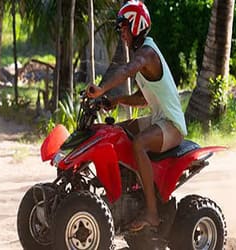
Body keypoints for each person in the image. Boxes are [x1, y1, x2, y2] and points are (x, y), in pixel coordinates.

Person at [87, 0, 187, 232]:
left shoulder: (147, 54)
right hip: (158, 120)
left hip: (171, 126)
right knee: (115, 133)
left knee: (139, 144)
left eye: (123, 27)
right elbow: (143, 98)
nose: (121, 33)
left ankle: (151, 213)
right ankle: (127, 192)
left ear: (136, 25)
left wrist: (102, 89)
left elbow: (125, 70)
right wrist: (116, 100)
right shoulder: (142, 53)